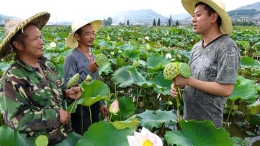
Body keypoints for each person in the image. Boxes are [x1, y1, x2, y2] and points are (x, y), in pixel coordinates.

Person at [0, 11, 82, 145]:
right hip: (39, 143)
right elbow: (16, 119)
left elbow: (54, 94)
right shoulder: (11, 78)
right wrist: (56, 116)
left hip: (64, 135)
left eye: (41, 37)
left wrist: (67, 94)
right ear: (18, 45)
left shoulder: (48, 65)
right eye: (35, 39)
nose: (42, 42)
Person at [171, 0, 240, 128]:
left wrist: (189, 81)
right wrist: (179, 86)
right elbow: (191, 77)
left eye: (198, 15)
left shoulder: (227, 47)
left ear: (213, 17)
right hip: (188, 120)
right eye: (193, 15)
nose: (193, 19)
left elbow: (226, 89)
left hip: (209, 126)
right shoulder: (196, 47)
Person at [64, 19, 108, 135]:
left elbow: (97, 82)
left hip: (93, 103)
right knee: (82, 136)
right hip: (80, 106)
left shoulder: (93, 56)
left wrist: (101, 103)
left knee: (94, 136)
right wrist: (88, 70)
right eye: (87, 34)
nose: (92, 36)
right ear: (77, 36)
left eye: (93, 33)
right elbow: (69, 85)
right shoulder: (71, 58)